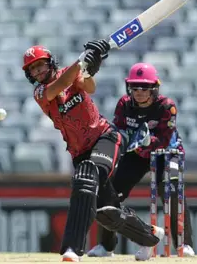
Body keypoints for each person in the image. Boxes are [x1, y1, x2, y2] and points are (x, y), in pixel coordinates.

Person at [23, 42, 165, 262]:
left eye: (40, 65)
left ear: (50, 63)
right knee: (106, 211)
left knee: (87, 177)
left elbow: (89, 87)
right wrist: (81, 62)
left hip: (104, 138)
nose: (38, 71)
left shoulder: (70, 76)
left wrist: (89, 70)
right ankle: (150, 236)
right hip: (79, 152)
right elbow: (60, 85)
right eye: (33, 69)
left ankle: (72, 249)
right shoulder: (40, 92)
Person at [87, 63, 195, 257]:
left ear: (154, 88)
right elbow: (118, 131)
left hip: (167, 153)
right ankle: (106, 245)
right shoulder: (124, 104)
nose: (139, 92)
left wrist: (145, 141)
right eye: (135, 87)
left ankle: (184, 244)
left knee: (170, 189)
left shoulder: (166, 106)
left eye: (144, 88)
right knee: (110, 190)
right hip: (136, 154)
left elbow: (163, 138)